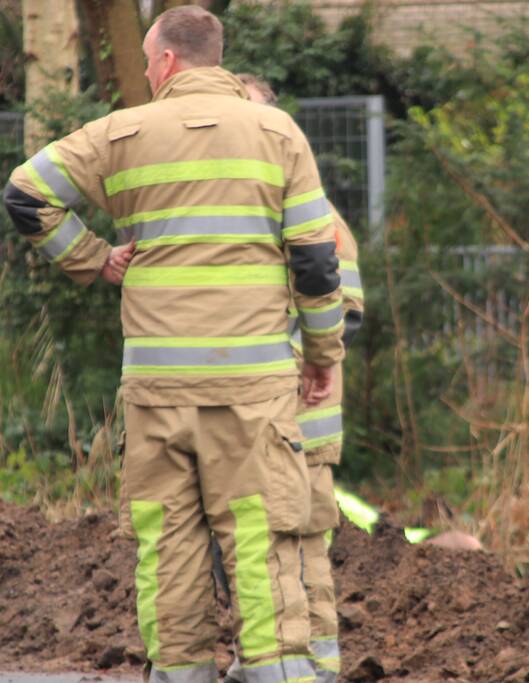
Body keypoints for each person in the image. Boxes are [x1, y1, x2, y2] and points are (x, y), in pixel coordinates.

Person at [2, 7, 345, 683]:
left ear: (163, 61)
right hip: (251, 390)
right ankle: (274, 671)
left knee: (168, 544)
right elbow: (314, 260)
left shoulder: (122, 132)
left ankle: (180, 672)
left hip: (157, 390)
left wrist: (95, 258)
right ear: (214, 59)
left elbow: (25, 194)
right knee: (258, 536)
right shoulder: (278, 132)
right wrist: (323, 354)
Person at [224, 74, 365, 683]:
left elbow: (344, 311)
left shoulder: (311, 213)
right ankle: (268, 661)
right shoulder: (250, 203)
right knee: (258, 548)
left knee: (301, 544)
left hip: (296, 421)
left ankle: (309, 667)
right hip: (255, 415)